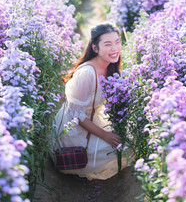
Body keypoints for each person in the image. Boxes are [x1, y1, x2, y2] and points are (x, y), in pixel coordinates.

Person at [50, 22, 128, 180]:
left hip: (92, 119)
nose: (114, 49)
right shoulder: (87, 73)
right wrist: (105, 135)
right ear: (95, 48)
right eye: (108, 44)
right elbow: (76, 115)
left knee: (127, 138)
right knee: (121, 148)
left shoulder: (110, 67)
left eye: (117, 42)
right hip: (73, 130)